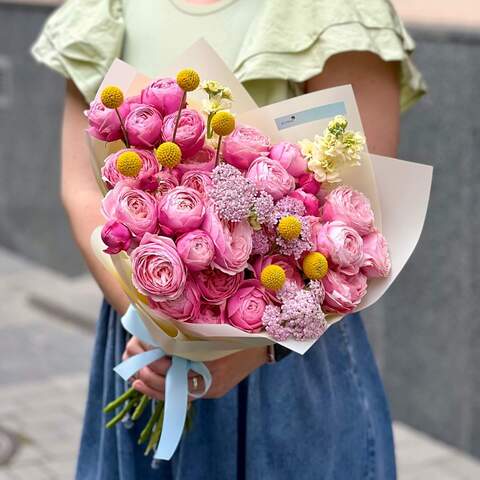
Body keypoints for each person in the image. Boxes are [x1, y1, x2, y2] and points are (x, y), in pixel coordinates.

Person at [32, 0, 426, 478]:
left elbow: (363, 211)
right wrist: (161, 325)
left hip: (288, 354)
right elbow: (80, 190)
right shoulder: (104, 10)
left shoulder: (338, 11)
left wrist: (256, 349)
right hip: (142, 342)